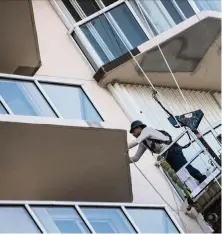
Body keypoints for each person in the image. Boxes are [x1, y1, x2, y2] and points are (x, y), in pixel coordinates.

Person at [128, 120, 207, 184]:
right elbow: (136, 158)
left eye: (133, 131)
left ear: (139, 127)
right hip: (167, 156)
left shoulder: (147, 130)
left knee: (184, 167)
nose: (133, 134)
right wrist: (123, 160)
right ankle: (193, 187)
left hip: (172, 150)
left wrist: (123, 147)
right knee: (180, 173)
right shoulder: (143, 142)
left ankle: (203, 179)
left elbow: (136, 141)